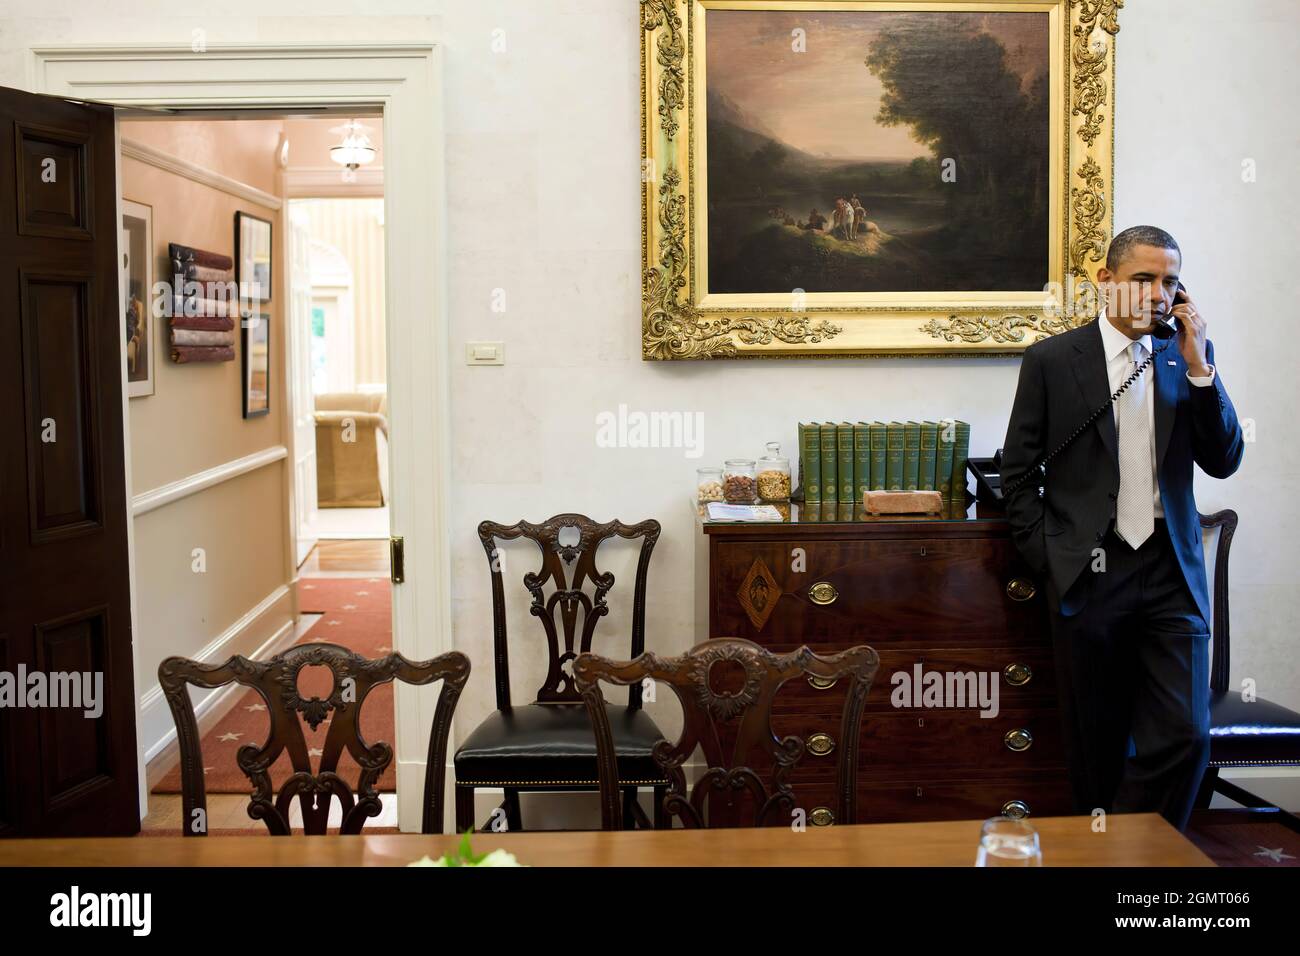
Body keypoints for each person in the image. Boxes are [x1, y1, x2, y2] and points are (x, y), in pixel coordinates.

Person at [1000, 225, 1245, 832]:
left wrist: (1199, 370)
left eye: (1169, 281)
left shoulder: (1188, 358)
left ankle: (1130, 860)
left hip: (1171, 571)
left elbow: (1225, 457)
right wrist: (1050, 557)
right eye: (1144, 279)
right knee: (1097, 746)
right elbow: (1018, 472)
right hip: (1091, 568)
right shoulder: (1053, 361)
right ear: (1105, 282)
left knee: (1185, 736)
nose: (1159, 294)